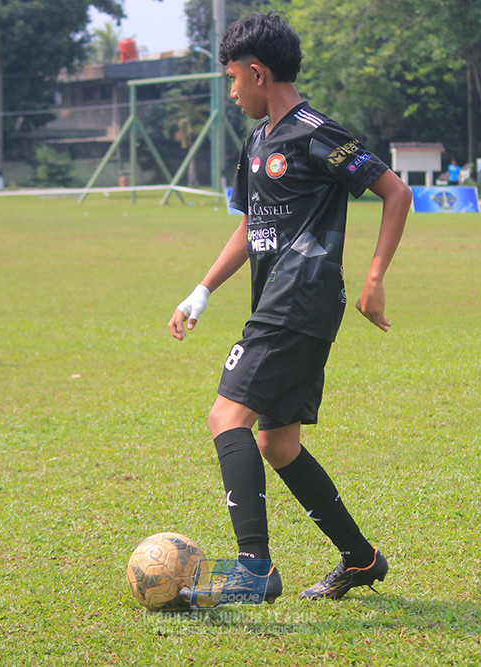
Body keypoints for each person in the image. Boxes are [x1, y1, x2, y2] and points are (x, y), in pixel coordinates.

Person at [168, 12, 412, 605]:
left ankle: (254, 571)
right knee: (277, 444)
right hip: (280, 299)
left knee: (226, 418)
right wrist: (202, 290)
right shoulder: (256, 143)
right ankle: (361, 558)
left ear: (258, 73)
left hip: (301, 296)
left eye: (233, 79)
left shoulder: (316, 133)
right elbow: (250, 225)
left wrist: (374, 278)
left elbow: (395, 191)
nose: (231, 91)